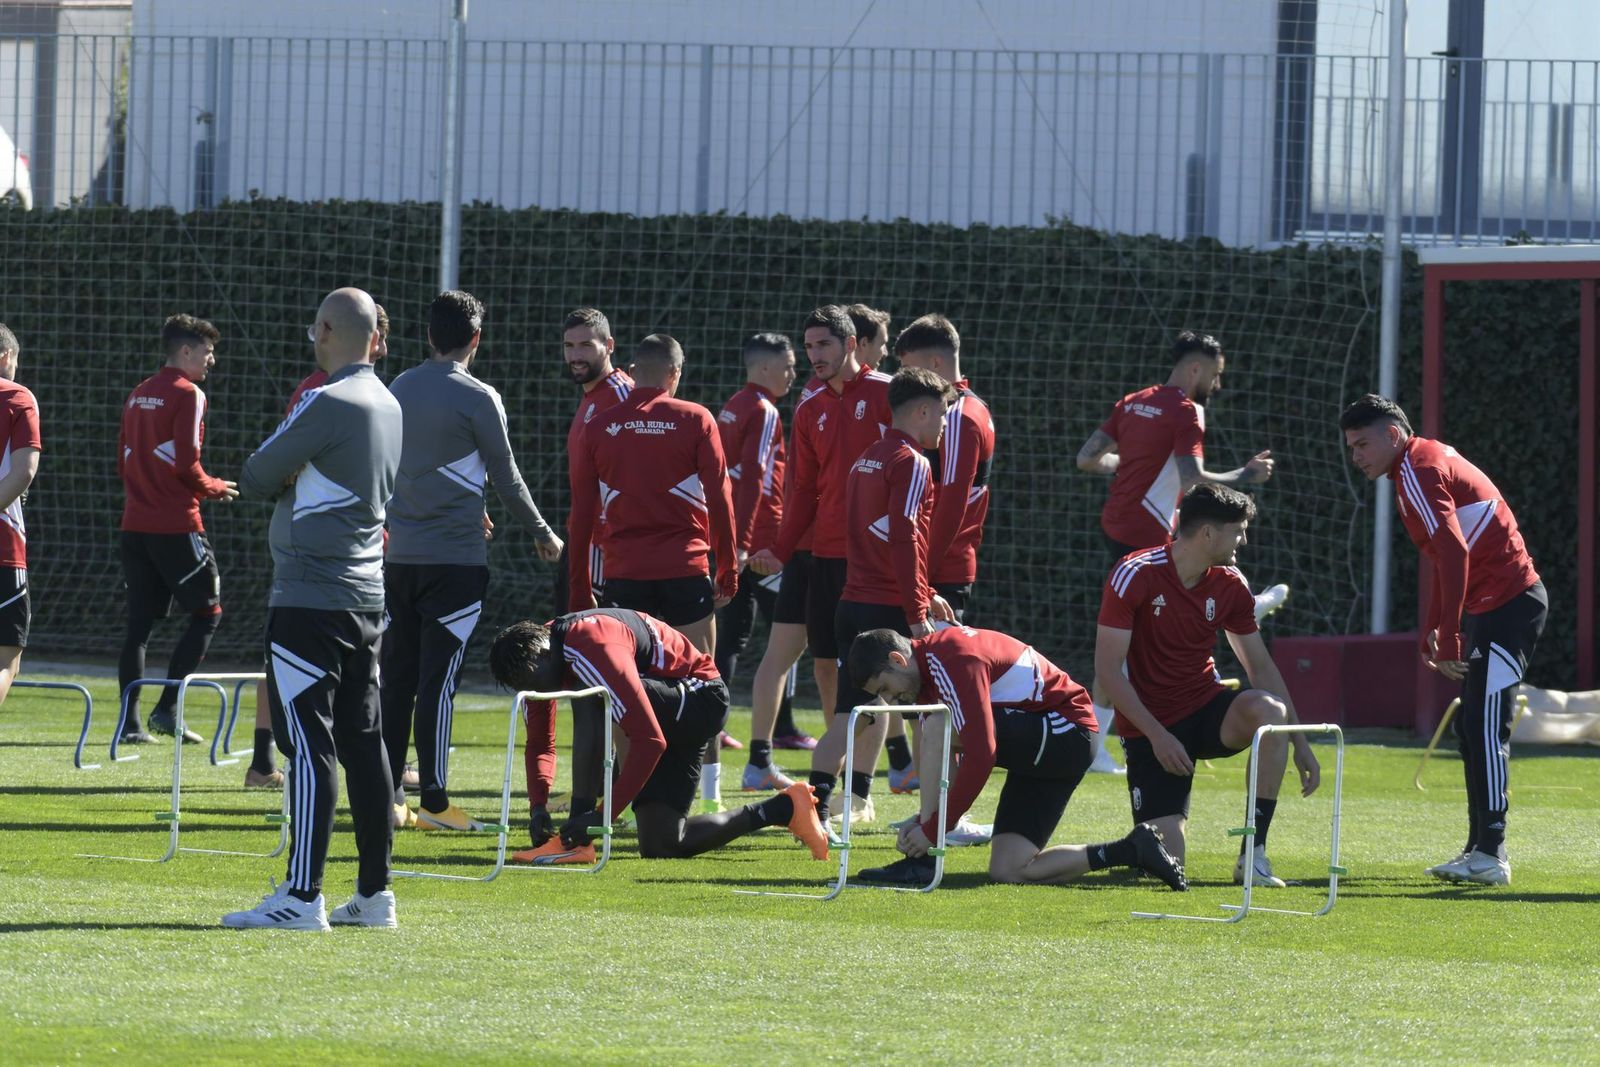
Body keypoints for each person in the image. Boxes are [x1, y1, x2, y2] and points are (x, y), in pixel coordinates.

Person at [221, 287, 403, 931]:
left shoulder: (328, 400)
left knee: (309, 745)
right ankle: (376, 895)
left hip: (309, 597)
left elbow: (260, 472)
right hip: (366, 598)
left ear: (324, 330)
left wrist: (292, 472)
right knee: (365, 741)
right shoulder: (389, 400)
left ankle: (302, 898)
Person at [1341, 394, 1545, 885]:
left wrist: (1449, 633)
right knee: (1471, 730)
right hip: (1492, 608)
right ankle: (1479, 848)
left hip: (1510, 606)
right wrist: (1436, 623)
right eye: (1350, 448)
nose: (1356, 456)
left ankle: (1492, 853)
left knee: (1486, 728)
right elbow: (1445, 556)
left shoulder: (1417, 467)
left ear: (1392, 433)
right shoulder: (1416, 463)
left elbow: (1453, 552)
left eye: (1362, 444)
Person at [381, 290, 563, 831]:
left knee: (396, 677)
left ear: (429, 334)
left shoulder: (398, 387)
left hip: (399, 561)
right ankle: (434, 804)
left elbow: (394, 470)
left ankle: (388, 795)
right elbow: (506, 477)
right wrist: (543, 531)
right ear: (476, 338)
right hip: (455, 565)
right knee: (438, 681)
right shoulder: (479, 396)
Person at [1075, 330, 1285, 773]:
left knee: (1127, 637)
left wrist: (1133, 464)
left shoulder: (1133, 401)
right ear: (1196, 368)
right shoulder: (1187, 411)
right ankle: (1095, 745)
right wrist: (1245, 474)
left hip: (1117, 525)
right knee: (1128, 646)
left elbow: (1087, 459)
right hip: (1152, 531)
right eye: (1216, 374)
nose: (1217, 384)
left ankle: (1238, 608)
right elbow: (1193, 479)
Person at [1093, 483, 1320, 887]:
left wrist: (1299, 742)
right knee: (1166, 860)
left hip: (1205, 708)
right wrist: (1159, 736)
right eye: (1239, 530)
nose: (1245, 539)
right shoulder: (1134, 573)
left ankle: (1254, 855)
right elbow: (1108, 673)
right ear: (1208, 534)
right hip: (1150, 726)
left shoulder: (1230, 582)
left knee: (1269, 710)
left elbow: (1261, 668)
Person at [845, 626, 1187, 890]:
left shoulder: (951, 657)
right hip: (1054, 739)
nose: (890, 700)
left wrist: (934, 828)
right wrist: (924, 822)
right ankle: (1131, 850)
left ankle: (922, 862)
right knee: (1009, 869)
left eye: (885, 689)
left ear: (897, 660)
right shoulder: (929, 673)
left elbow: (981, 754)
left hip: (1067, 732)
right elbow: (954, 757)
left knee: (938, 725)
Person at [489, 610, 829, 865]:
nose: (533, 691)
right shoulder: (540, 662)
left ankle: (575, 842)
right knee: (662, 844)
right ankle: (785, 807)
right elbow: (539, 744)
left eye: (534, 681)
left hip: (701, 697)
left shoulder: (588, 646)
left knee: (593, 694)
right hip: (671, 704)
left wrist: (600, 816)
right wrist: (537, 808)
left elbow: (650, 740)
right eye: (524, 687)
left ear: (546, 654)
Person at [568, 333, 738, 811]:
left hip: (626, 577)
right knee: (704, 682)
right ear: (675, 374)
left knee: (628, 686)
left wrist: (581, 586)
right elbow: (721, 499)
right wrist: (728, 565)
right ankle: (709, 794)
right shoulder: (695, 418)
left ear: (631, 369)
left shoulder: (600, 425)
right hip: (686, 570)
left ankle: (633, 799)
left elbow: (580, 516)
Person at [749, 306, 893, 823]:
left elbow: (928, 472)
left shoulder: (888, 393)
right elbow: (804, 490)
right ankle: (837, 793)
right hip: (825, 558)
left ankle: (864, 791)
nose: (815, 356)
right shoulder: (809, 408)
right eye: (809, 347)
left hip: (878, 563)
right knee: (828, 667)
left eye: (824, 346)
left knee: (878, 676)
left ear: (851, 343)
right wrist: (782, 550)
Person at [244, 304, 392, 791]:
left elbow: (268, 472)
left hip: (328, 579)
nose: (384, 350)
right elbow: (273, 471)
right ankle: (265, 761)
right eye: (380, 340)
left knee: (322, 738)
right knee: (341, 737)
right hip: (340, 579)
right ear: (365, 340)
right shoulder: (332, 396)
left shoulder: (354, 398)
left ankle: (305, 861)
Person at [519, 308, 637, 848]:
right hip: (587, 558)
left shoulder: (619, 400)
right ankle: (588, 798)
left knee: (594, 688)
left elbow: (624, 493)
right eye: (568, 346)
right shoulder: (594, 400)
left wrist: (587, 577)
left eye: (585, 345)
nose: (575, 356)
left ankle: (599, 805)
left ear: (608, 344)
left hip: (607, 565)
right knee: (578, 684)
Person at [884, 313, 996, 795]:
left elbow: (949, 505)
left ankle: (943, 811)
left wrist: (922, 583)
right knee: (918, 688)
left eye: (907, 369)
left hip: (941, 572)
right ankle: (925, 799)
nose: (902, 383)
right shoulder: (973, 410)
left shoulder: (960, 418)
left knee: (937, 693)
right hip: (938, 569)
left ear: (934, 363)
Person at [115, 315, 239, 745]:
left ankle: (129, 725)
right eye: (206, 351)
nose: (212, 359)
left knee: (139, 626)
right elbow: (188, 465)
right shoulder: (189, 394)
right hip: (175, 525)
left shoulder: (138, 394)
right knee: (208, 614)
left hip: (134, 526)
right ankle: (167, 709)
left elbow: (123, 461)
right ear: (185, 352)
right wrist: (215, 487)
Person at [713, 333, 810, 789]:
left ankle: (714, 724)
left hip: (739, 539)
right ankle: (778, 733)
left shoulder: (733, 405)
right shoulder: (765, 410)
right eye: (789, 365)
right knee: (794, 633)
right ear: (766, 367)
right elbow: (753, 478)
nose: (794, 373)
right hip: (764, 547)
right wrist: (746, 543)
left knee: (731, 637)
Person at [0, 324, 40, 711]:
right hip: (4, 547)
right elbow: (24, 471)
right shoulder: (17, 396)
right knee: (7, 658)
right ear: (6, 357)